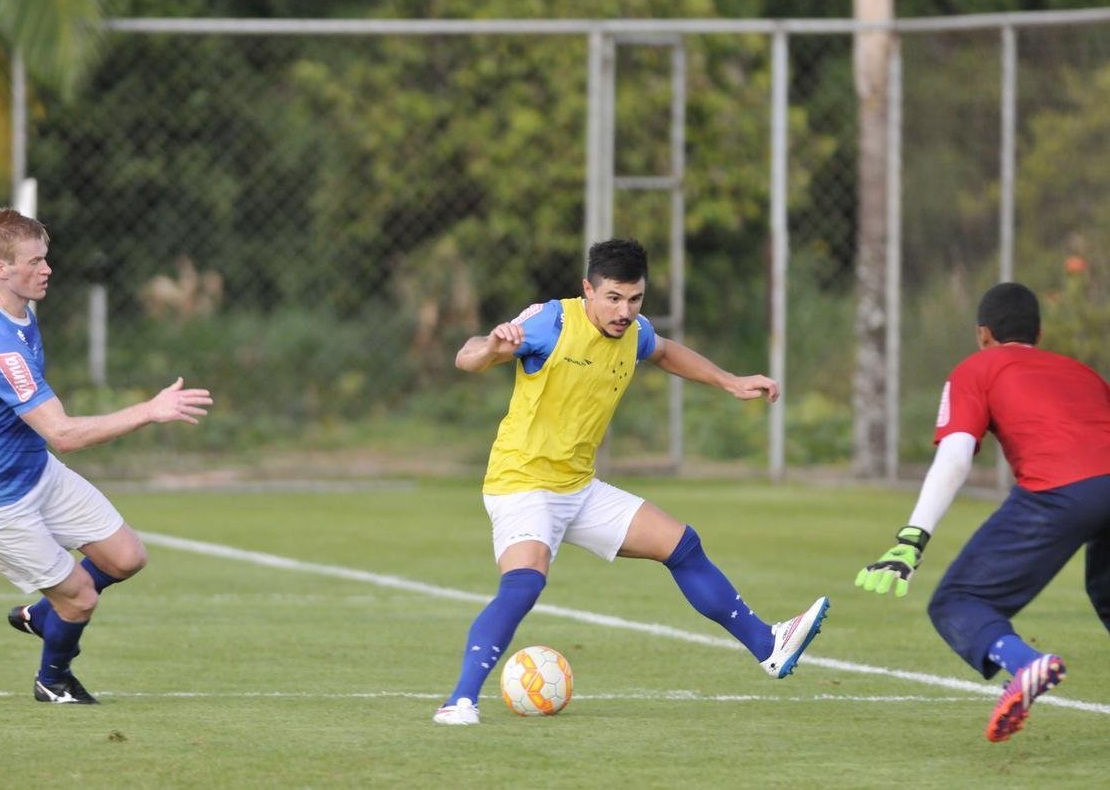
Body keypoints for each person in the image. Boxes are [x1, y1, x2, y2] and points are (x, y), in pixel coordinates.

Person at [433, 237, 829, 725]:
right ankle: (460, 702)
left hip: (577, 487)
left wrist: (728, 380)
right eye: (613, 298)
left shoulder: (634, 331)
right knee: (526, 580)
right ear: (588, 290)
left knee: (681, 544)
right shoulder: (552, 322)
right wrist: (493, 347)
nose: (625, 311)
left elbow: (662, 351)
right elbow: (466, 356)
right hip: (523, 482)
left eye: (635, 299)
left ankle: (769, 644)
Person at [0, 208, 214, 704]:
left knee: (126, 556)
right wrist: (151, 410)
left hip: (33, 471)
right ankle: (54, 679)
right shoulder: (2, 350)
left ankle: (43, 617)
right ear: (2, 268)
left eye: (46, 259)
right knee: (81, 597)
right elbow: (63, 434)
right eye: (35, 262)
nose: (47, 270)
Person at [855, 281, 1110, 742]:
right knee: (1107, 593)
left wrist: (911, 539)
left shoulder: (978, 368)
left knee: (958, 601)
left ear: (983, 334)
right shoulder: (1082, 372)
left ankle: (1025, 664)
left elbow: (954, 458)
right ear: (1040, 333)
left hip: (1059, 491)